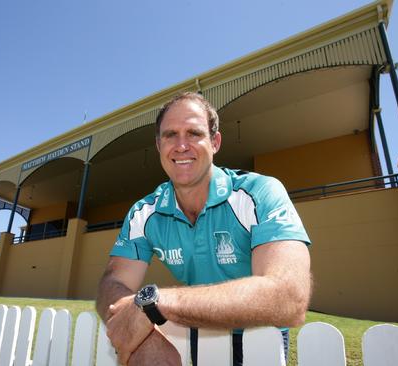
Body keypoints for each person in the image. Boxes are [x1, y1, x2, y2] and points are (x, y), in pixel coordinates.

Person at [96, 92, 312, 366]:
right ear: (158, 145)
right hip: (196, 333)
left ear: (215, 142)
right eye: (170, 135)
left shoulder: (258, 192)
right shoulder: (144, 212)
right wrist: (146, 339)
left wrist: (156, 303)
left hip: (260, 339)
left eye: (194, 133)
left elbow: (289, 297)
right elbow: (112, 284)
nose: (181, 145)